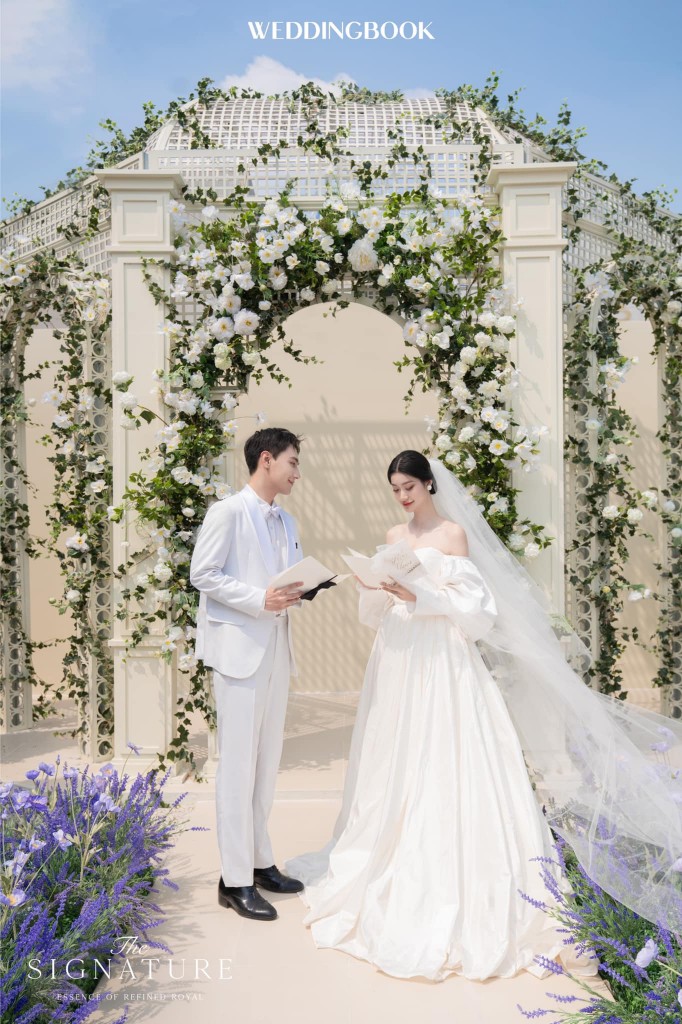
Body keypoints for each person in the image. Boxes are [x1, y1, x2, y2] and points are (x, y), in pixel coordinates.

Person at [285, 450, 682, 981]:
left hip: (442, 656)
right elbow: (376, 615)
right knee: (393, 752)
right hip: (399, 656)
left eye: (409, 487)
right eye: (395, 489)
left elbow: (474, 613)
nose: (402, 497)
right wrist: (375, 590)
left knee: (448, 752)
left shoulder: (453, 536)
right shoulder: (393, 535)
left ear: (429, 485)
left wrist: (418, 593)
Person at [190, 427, 306, 921]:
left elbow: (287, 578)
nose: (297, 472)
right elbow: (202, 573)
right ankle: (234, 880)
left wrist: (307, 586)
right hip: (240, 651)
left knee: (266, 762)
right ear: (267, 460)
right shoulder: (227, 512)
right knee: (238, 767)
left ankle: (260, 863)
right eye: (293, 462)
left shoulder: (288, 519)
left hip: (278, 648)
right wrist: (260, 599)